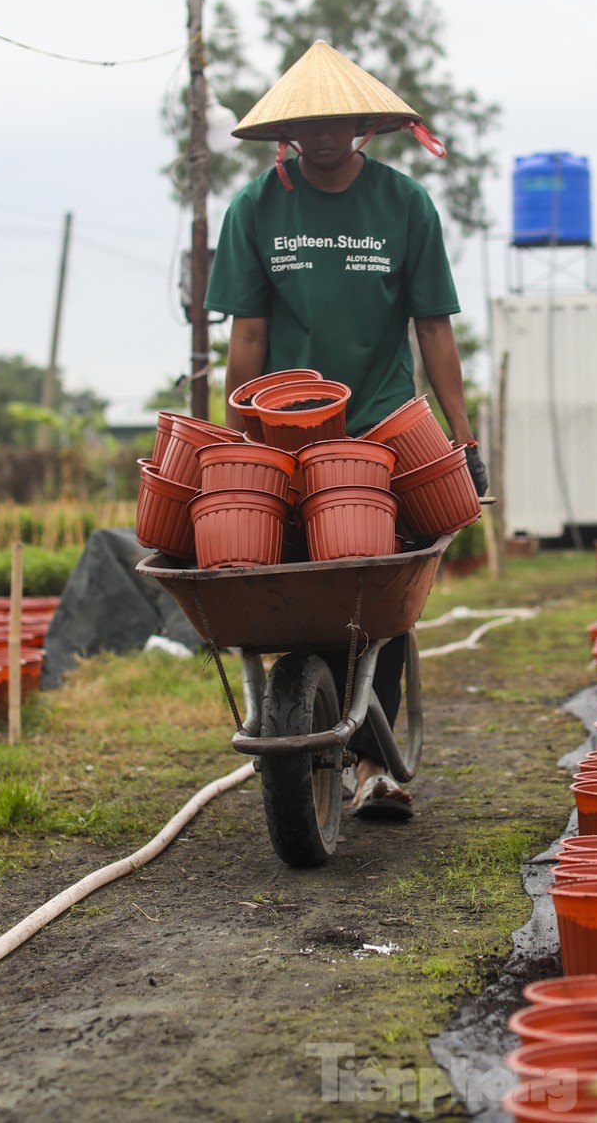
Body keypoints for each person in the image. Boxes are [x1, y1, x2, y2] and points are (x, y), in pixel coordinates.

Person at [204, 40, 486, 823]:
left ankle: (374, 761)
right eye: (308, 125)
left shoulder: (405, 205)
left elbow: (434, 331)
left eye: (338, 122)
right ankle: (317, 724)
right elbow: (249, 338)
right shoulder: (257, 208)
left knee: (379, 585)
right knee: (306, 582)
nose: (323, 136)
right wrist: (237, 446)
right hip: (285, 433)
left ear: (364, 123)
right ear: (287, 131)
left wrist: (462, 438)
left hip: (383, 426)